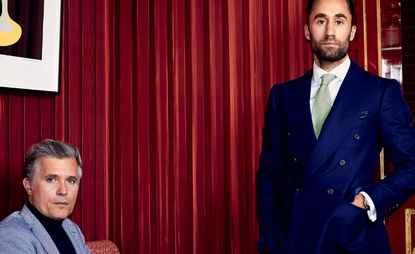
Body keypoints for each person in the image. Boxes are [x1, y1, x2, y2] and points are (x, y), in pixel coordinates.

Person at [256, 0, 415, 253]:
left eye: (339, 21)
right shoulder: (283, 95)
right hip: (294, 239)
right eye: (321, 21)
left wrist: (366, 201)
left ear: (352, 31)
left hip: (352, 236)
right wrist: (269, 235)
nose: (330, 31)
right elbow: (269, 174)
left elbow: (412, 166)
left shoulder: (380, 92)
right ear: (308, 30)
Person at [0, 139, 91, 254]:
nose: (63, 191)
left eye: (71, 181)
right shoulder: (10, 235)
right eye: (51, 179)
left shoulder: (72, 229)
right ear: (28, 186)